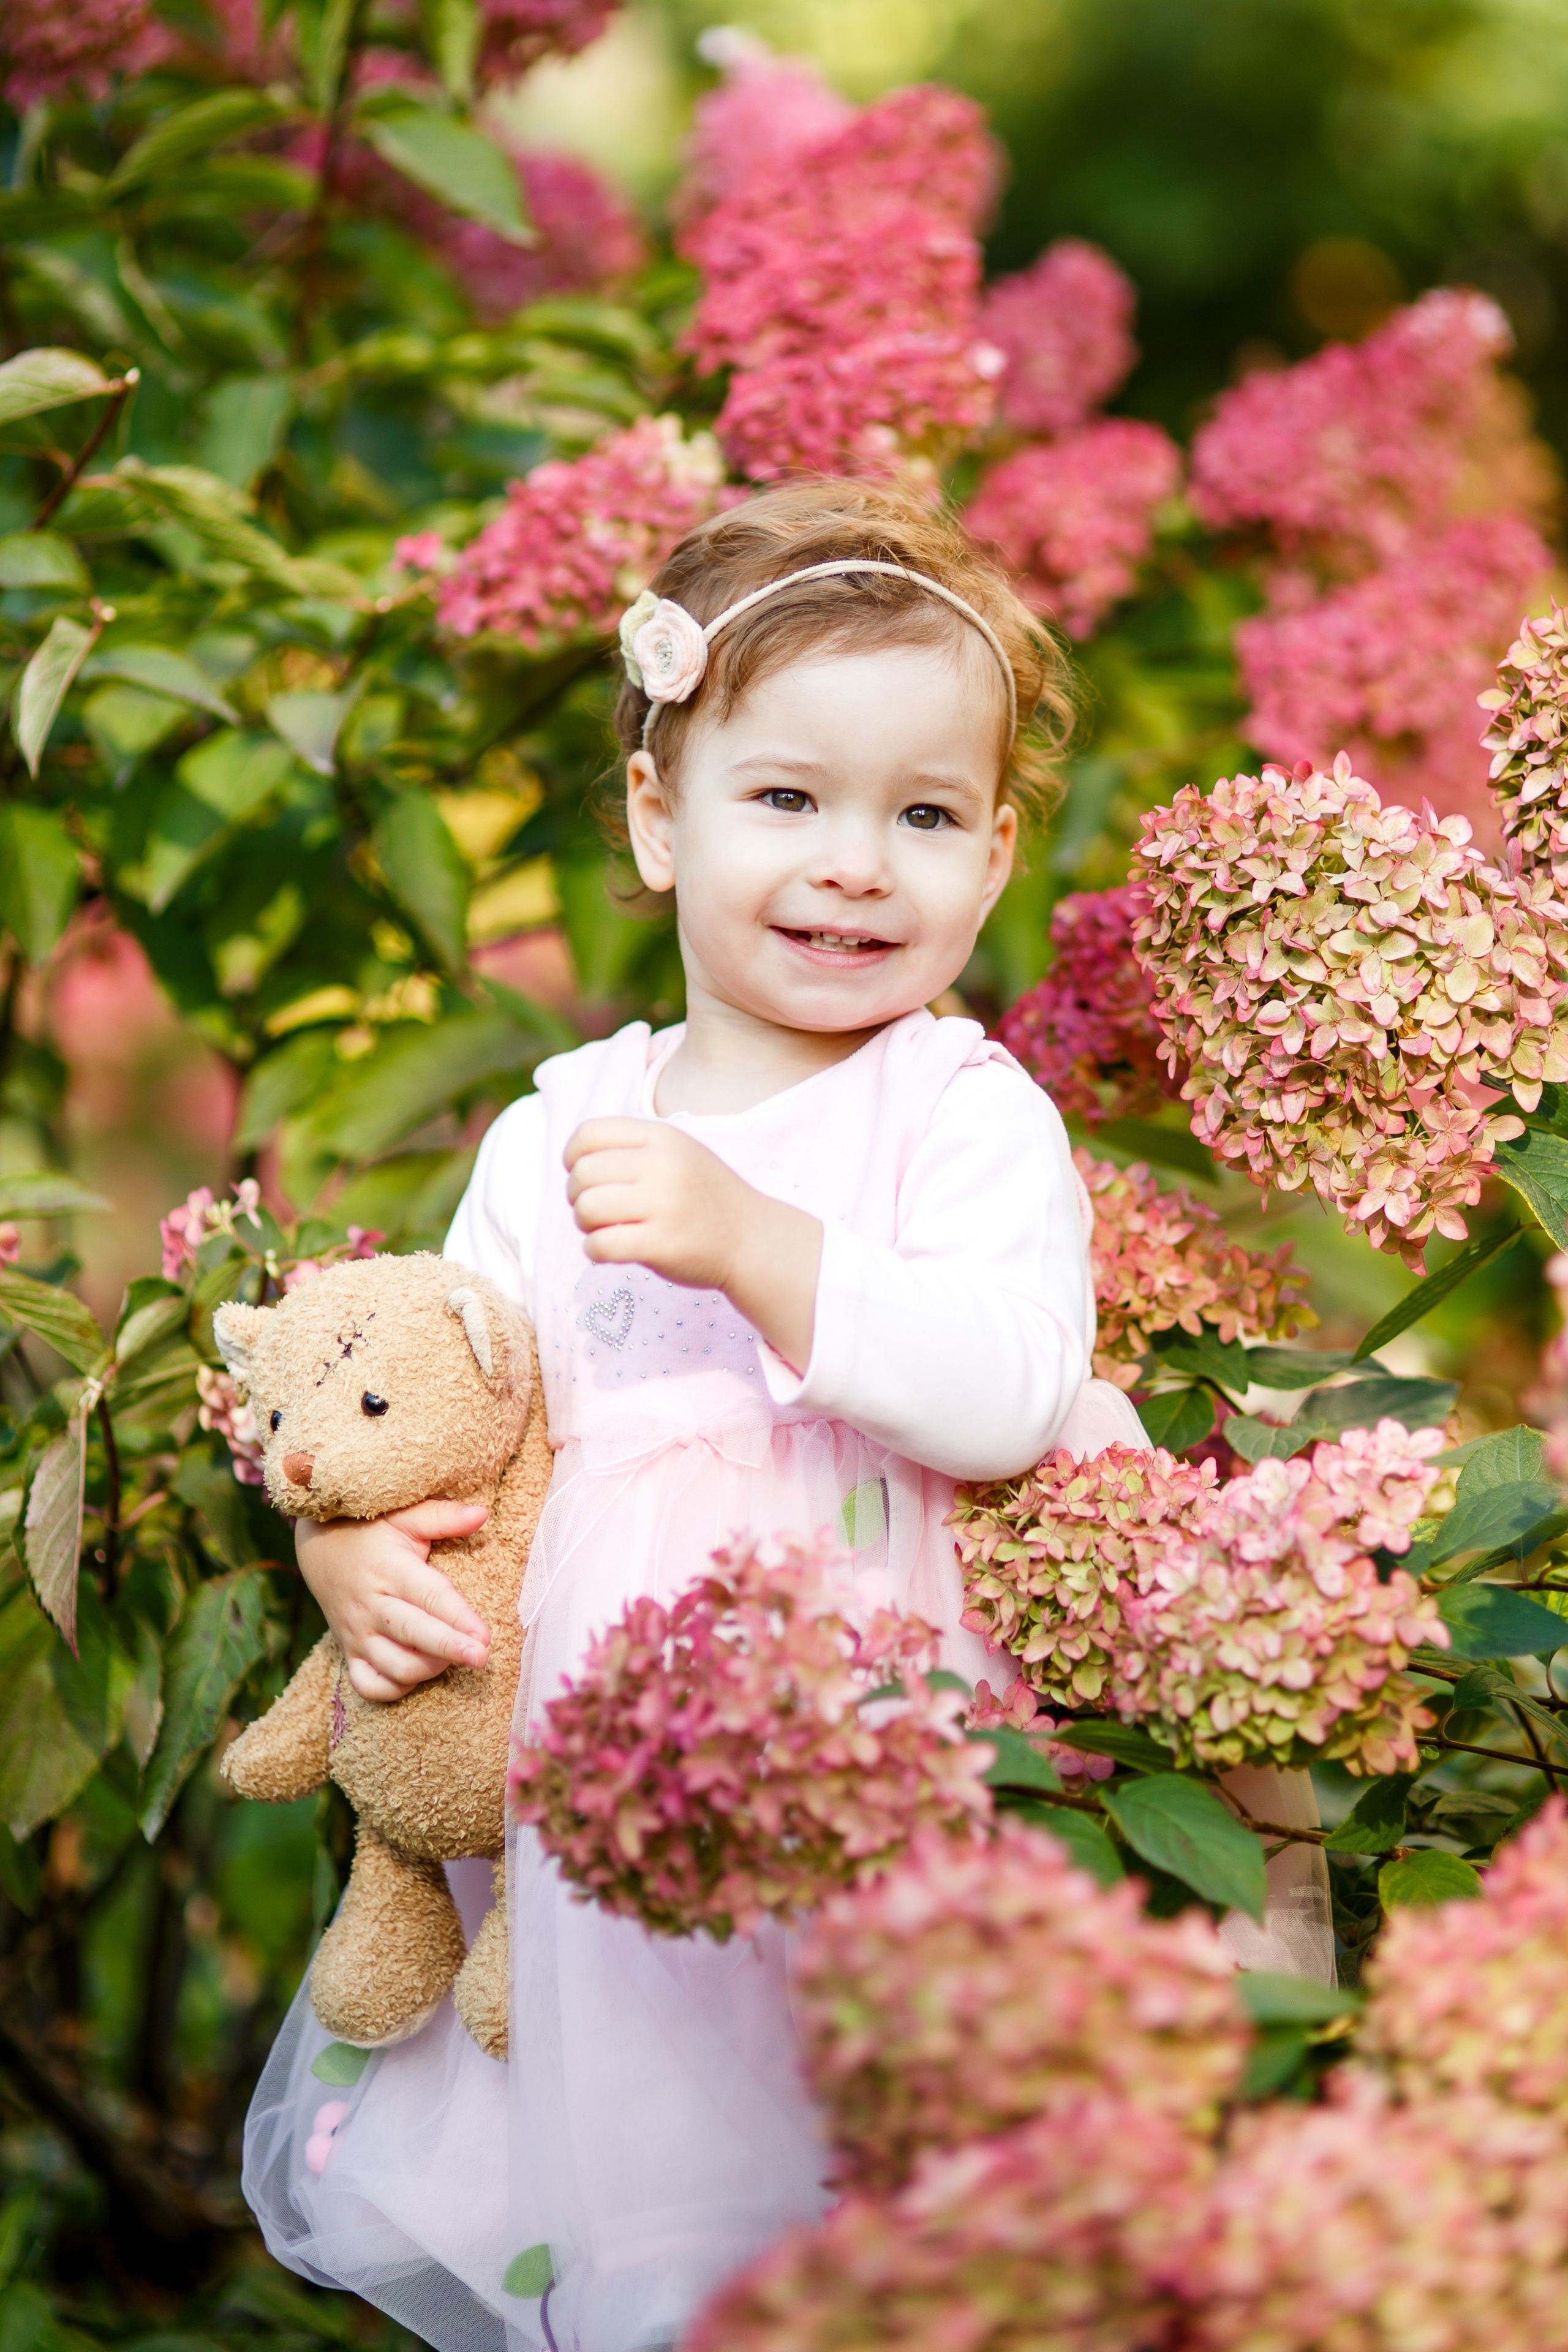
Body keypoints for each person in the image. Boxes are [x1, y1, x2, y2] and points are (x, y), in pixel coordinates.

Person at [242, 479, 1332, 2352]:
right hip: (622, 1788)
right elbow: (445, 1413)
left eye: (924, 816)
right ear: (658, 818)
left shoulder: (961, 1112)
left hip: (902, 1756)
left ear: (995, 857)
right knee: (664, 2182)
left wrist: (760, 1245)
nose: (856, 865)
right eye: (788, 799)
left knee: (912, 2169)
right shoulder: (556, 1129)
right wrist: (352, 1556)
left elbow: (1011, 1391)